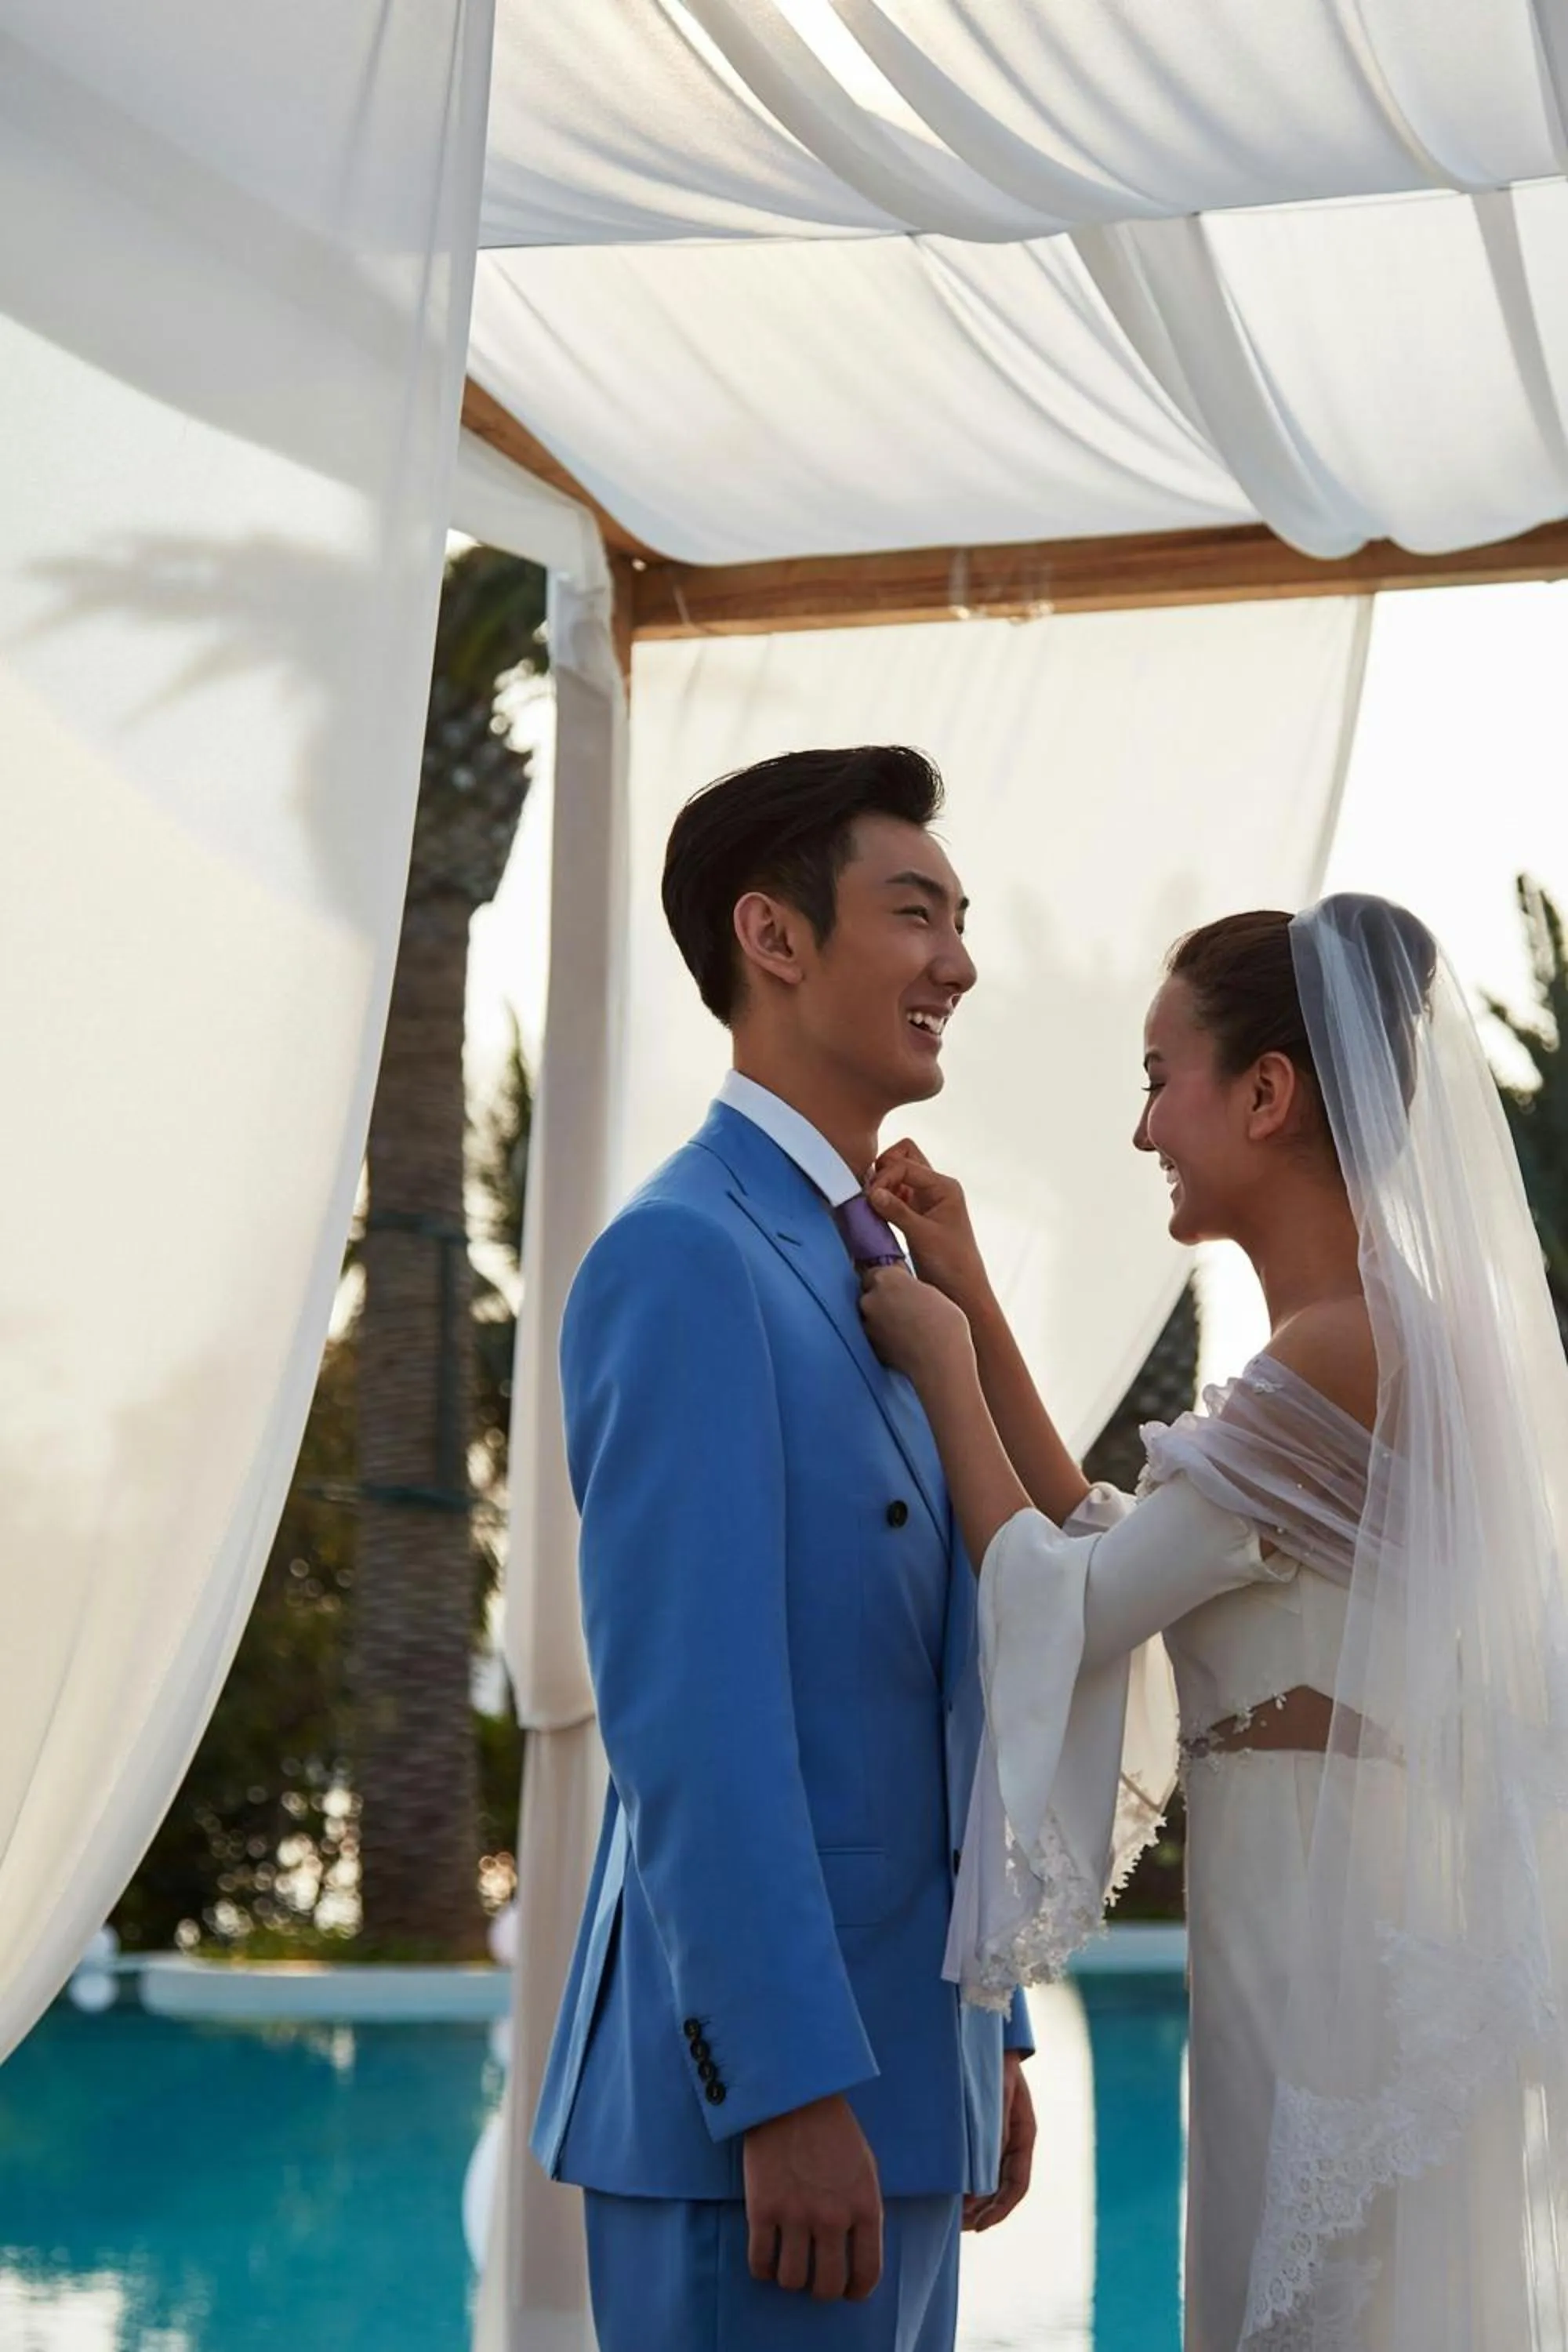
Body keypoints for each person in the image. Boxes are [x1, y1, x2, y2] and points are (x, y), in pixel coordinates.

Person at [860, 895, 1568, 2350]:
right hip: (1306, 1920)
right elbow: (1115, 1550)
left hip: (1325, 1949)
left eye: (1157, 1076)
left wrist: (938, 1366)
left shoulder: (1344, 1351)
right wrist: (977, 1298)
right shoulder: (1365, 1338)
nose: (1143, 1130)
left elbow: (1079, 1603)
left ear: (1265, 1091)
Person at [531, 745, 1036, 2352]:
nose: (956, 961)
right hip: (762, 2124)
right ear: (774, 936)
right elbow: (693, 1719)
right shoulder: (684, 1257)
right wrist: (784, 2085)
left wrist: (990, 2035)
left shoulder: (879, 1263)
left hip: (909, 2086)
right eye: (915, 913)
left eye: (959, 921)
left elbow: (941, 1686)